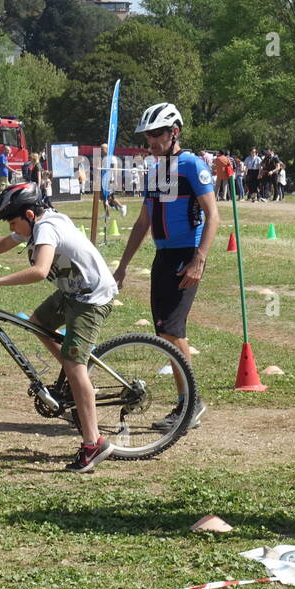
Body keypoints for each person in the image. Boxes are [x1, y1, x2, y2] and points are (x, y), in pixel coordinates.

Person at [0, 183, 119, 472]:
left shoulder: (47, 228)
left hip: (91, 298)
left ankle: (93, 444)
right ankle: (76, 378)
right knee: (37, 323)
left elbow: (40, 271)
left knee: (76, 367)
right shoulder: (36, 222)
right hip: (72, 292)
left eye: (14, 221)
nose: (12, 227)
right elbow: (6, 242)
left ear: (29, 214)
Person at [114, 103, 218, 430]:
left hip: (186, 255)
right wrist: (123, 266)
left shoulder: (191, 165)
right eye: (148, 135)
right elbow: (144, 220)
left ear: (175, 132)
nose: (151, 141)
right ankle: (188, 402)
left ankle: (190, 404)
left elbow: (214, 216)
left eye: (157, 133)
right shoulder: (154, 170)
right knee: (165, 331)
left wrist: (199, 259)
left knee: (172, 330)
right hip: (163, 257)